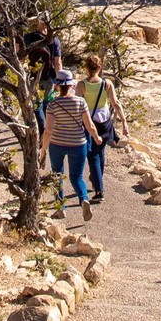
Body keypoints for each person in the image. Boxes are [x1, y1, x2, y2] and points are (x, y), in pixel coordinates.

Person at [41, 69, 102, 221]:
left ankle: (60, 209)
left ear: (57, 85)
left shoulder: (52, 104)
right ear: (71, 85)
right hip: (78, 143)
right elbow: (89, 125)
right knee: (77, 177)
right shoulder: (80, 102)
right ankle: (84, 199)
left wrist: (43, 149)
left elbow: (48, 130)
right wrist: (96, 137)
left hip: (57, 143)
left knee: (57, 175)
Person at [79, 53, 129, 203]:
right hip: (105, 122)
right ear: (100, 67)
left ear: (86, 68)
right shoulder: (106, 84)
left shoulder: (82, 85)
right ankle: (97, 178)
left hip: (90, 122)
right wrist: (124, 122)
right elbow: (115, 103)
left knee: (92, 154)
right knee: (100, 152)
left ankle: (99, 189)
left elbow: (78, 106)